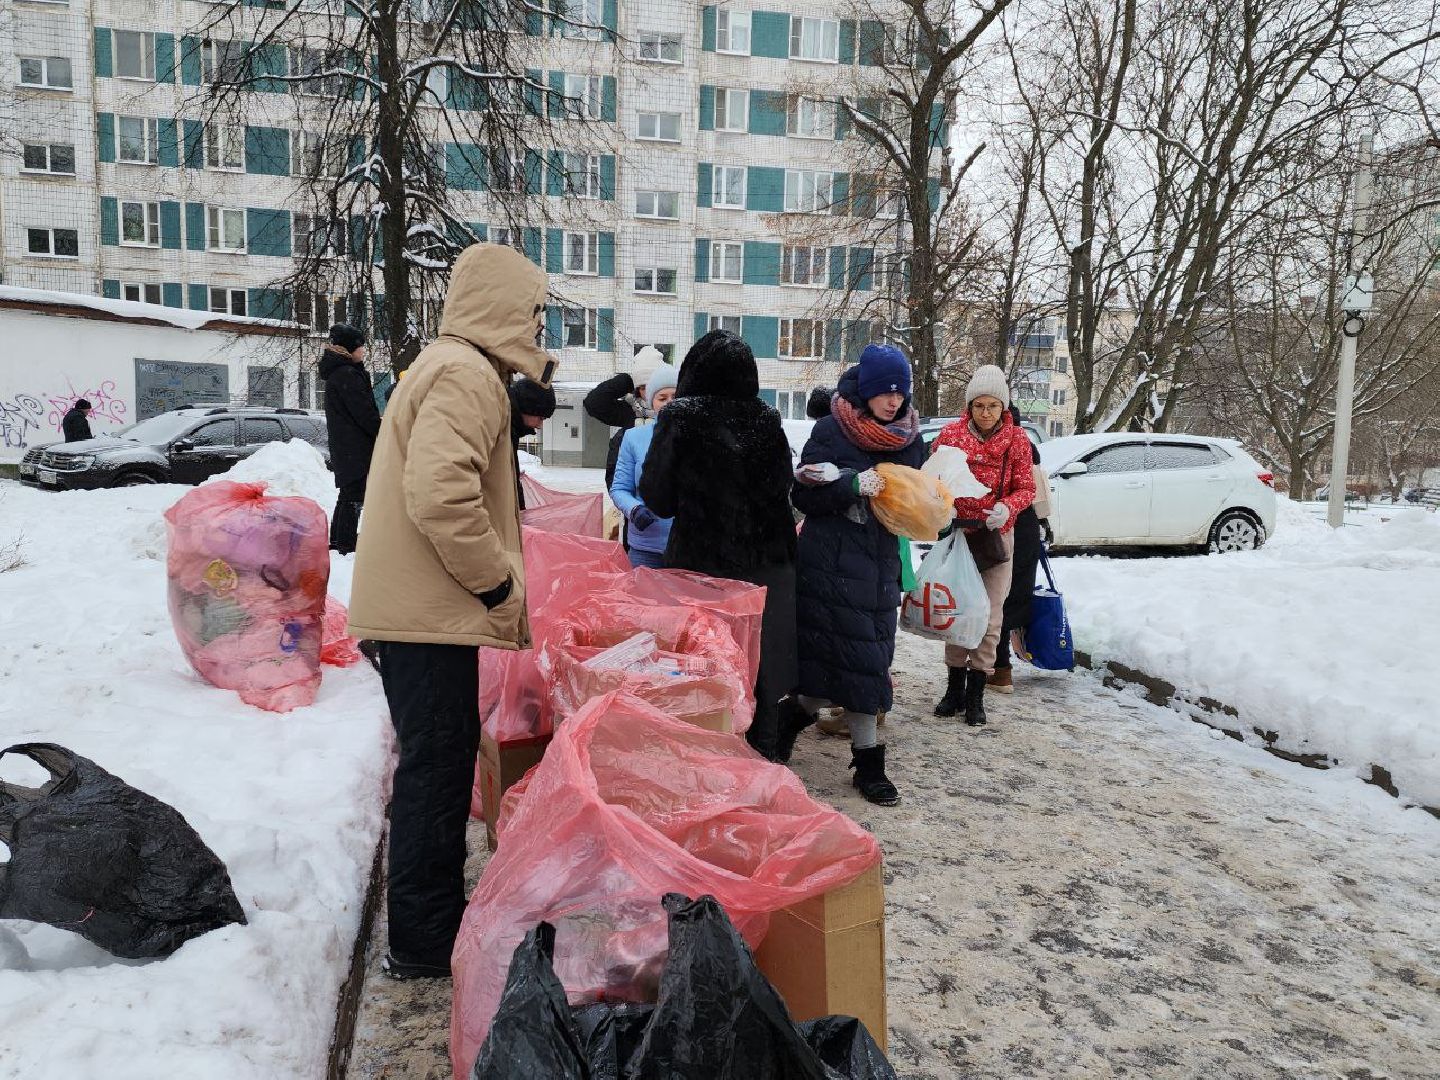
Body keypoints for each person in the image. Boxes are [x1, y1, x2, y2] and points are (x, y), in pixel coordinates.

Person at [346, 243, 555, 980]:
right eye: (533, 313)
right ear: (505, 308)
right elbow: (440, 494)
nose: (538, 328)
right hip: (426, 616)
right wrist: (495, 583)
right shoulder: (467, 374)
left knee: (436, 765)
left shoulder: (447, 365)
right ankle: (425, 941)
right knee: (436, 774)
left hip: (420, 612)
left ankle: (429, 925)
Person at [778, 344, 926, 807]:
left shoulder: (910, 438)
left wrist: (935, 509)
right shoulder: (832, 429)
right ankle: (862, 760)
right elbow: (802, 495)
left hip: (880, 566)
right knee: (834, 664)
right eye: (884, 392)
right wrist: (850, 485)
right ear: (865, 391)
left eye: (900, 393)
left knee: (867, 663)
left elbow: (918, 495)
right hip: (829, 565)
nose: (893, 401)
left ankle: (807, 732)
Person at [638, 331, 797, 760]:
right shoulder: (768, 418)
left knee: (703, 660)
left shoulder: (681, 416)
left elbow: (657, 497)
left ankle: (706, 753)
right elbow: (783, 484)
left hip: (702, 563)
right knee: (761, 659)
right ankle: (763, 753)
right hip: (768, 560)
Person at [930, 366, 1036, 725]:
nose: (986, 413)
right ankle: (954, 690)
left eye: (992, 405)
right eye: (979, 405)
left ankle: (976, 693)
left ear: (1003, 406)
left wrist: (1008, 507)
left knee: (989, 615)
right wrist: (943, 507)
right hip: (959, 534)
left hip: (996, 537)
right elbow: (933, 479)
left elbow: (1027, 488)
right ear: (969, 406)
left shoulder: (1017, 440)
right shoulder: (950, 435)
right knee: (957, 610)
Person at [989, 406, 1051, 693]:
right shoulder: (1027, 446)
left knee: (995, 598)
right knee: (1012, 598)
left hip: (1002, 528)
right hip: (1027, 528)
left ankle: (997, 668)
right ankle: (1002, 670)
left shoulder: (997, 448)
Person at [319, 323, 382, 555]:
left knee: (347, 495)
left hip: (346, 446)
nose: (363, 350)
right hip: (355, 447)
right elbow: (364, 413)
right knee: (354, 495)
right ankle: (345, 544)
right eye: (360, 347)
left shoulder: (340, 373)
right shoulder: (347, 375)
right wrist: (382, 430)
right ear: (349, 348)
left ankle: (339, 541)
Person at [609, 364, 679, 569]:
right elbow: (619, 488)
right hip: (646, 548)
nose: (669, 403)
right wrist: (634, 509)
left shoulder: (697, 437)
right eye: (662, 398)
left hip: (687, 546)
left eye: (675, 396)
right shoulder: (634, 438)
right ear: (652, 402)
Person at [584, 346, 662, 490]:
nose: (648, 391)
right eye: (643, 387)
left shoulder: (673, 412)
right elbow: (594, 403)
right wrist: (628, 380)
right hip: (630, 494)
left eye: (653, 384)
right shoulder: (630, 411)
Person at [507, 376, 556, 511]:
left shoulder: (511, 430)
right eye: (541, 418)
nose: (540, 425)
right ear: (528, 408)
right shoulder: (501, 429)